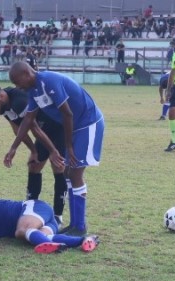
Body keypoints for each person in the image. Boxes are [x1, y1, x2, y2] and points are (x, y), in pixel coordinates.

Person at [8, 62, 105, 236]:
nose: (17, 86)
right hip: (75, 127)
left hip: (88, 123)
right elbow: (28, 119)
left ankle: (80, 226)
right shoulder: (33, 90)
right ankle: (75, 224)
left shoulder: (48, 81)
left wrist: (68, 145)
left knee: (75, 173)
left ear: (26, 73)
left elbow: (67, 113)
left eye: (17, 81)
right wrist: (14, 147)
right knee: (68, 173)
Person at [0, 84, 67, 225]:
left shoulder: (20, 101)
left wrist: (52, 151)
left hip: (58, 128)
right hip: (43, 130)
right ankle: (31, 208)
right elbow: (18, 130)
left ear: (1, 97)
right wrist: (33, 151)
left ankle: (58, 216)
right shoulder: (5, 107)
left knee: (58, 167)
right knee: (34, 166)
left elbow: (34, 128)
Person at [0, 197, 99, 254]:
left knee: (22, 231)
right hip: (43, 219)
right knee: (43, 236)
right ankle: (84, 240)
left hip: (33, 207)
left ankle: (46, 243)